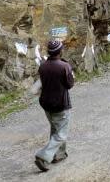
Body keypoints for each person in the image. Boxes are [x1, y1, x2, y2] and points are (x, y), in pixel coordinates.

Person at [34, 39, 75, 172]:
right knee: (61, 134)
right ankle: (43, 156)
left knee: (55, 128)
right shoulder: (64, 66)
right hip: (60, 104)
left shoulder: (43, 66)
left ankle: (59, 155)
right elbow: (70, 84)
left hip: (46, 104)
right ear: (60, 51)